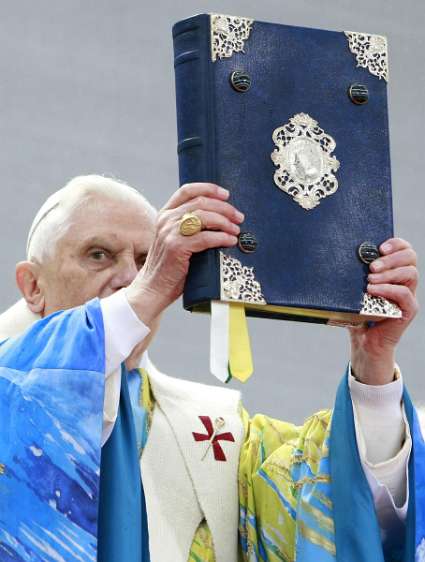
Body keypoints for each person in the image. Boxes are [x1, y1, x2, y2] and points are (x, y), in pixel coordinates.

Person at [0, 175, 422, 562]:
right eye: (98, 255)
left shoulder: (215, 430)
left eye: (148, 260)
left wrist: (373, 369)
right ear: (32, 286)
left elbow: (335, 513)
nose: (130, 276)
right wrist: (150, 289)